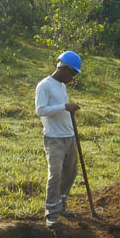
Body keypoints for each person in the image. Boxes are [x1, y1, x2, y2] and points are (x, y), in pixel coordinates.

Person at [35, 51, 82, 228]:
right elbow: (40, 110)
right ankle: (52, 213)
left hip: (69, 135)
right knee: (55, 174)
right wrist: (64, 106)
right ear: (63, 69)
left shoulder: (61, 86)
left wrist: (67, 109)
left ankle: (61, 205)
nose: (73, 78)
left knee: (71, 172)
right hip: (54, 138)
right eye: (72, 74)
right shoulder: (44, 85)